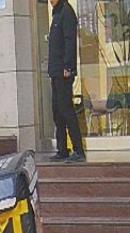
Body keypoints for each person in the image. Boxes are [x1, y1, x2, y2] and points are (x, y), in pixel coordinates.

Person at [48, 0, 85, 163]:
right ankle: (62, 149)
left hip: (64, 72)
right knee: (57, 111)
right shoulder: (56, 13)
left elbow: (70, 41)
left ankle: (78, 150)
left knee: (66, 109)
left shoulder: (66, 12)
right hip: (55, 71)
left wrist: (68, 66)